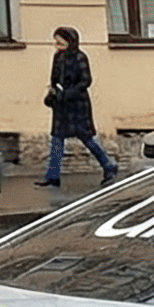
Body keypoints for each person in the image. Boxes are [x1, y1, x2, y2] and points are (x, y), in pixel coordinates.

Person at [37, 27, 116, 188]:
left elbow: (85, 81)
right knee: (56, 141)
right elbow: (53, 79)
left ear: (70, 42)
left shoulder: (80, 57)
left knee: (88, 139)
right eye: (56, 43)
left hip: (78, 105)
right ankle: (52, 176)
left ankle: (109, 166)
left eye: (60, 43)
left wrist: (66, 93)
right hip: (61, 105)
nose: (57, 46)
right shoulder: (57, 57)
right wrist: (52, 93)